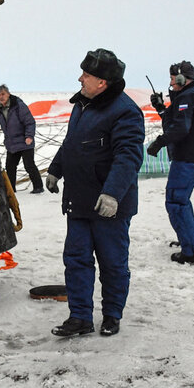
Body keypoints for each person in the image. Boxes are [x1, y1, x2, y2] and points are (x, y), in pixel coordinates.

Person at [45, 49, 144, 337]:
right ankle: (80, 317)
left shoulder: (125, 111)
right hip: (78, 200)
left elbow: (128, 156)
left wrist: (112, 193)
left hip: (108, 206)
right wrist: (55, 170)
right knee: (76, 261)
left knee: (112, 263)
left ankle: (112, 314)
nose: (80, 78)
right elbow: (71, 144)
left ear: (102, 82)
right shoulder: (81, 105)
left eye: (86, 75)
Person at [147, 60, 194, 265]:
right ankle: (188, 241)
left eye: (173, 79)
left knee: (177, 202)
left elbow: (180, 129)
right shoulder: (186, 97)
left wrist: (159, 142)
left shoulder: (189, 97)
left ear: (183, 78)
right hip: (189, 157)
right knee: (180, 201)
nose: (171, 83)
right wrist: (161, 107)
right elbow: (174, 122)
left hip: (188, 158)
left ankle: (192, 252)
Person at [0, 84, 44, 193]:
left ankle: (38, 187)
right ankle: (11, 190)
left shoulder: (18, 106)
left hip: (25, 141)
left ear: (8, 94)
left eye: (3, 94)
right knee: (10, 167)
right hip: (12, 143)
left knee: (29, 165)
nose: (1, 97)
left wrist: (29, 136)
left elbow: (30, 122)